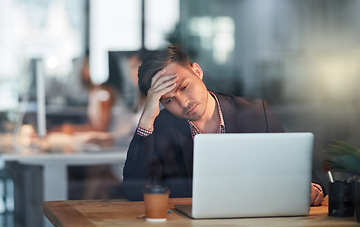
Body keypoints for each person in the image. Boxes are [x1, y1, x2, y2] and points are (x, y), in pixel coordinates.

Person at [122, 44, 325, 205]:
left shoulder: (255, 113)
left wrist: (313, 186)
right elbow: (135, 191)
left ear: (197, 71)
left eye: (184, 87)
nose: (183, 103)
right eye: (168, 100)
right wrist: (147, 119)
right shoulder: (160, 127)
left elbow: (299, 169)